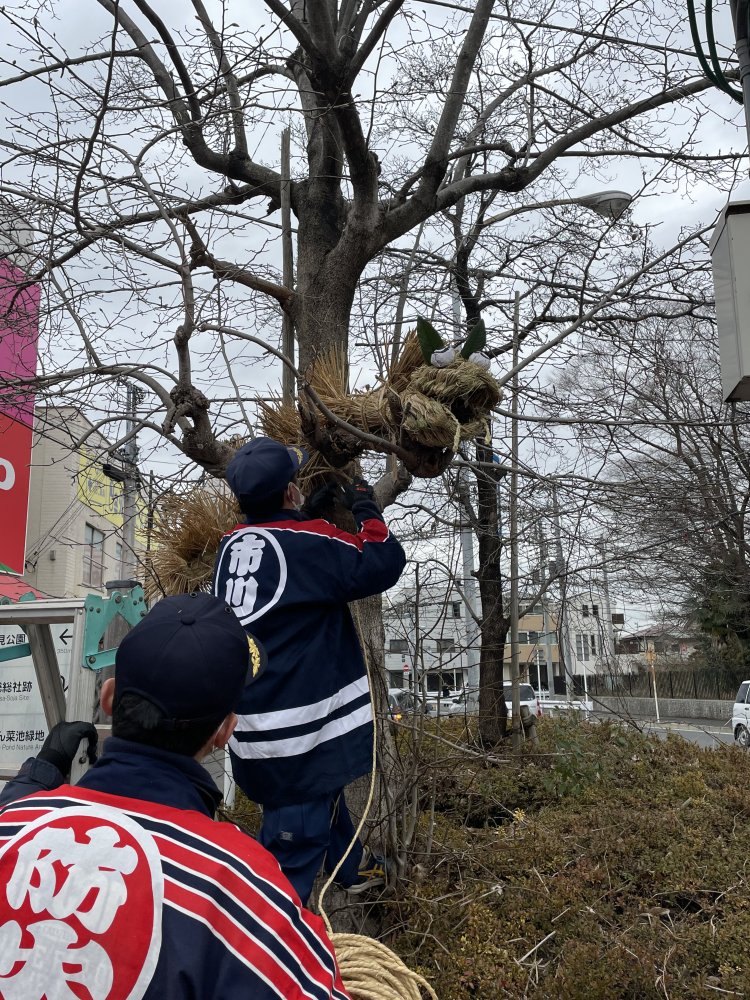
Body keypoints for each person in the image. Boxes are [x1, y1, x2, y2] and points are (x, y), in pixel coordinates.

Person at [0, 593, 351, 1000]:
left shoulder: (13, 826)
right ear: (224, 732)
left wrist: (38, 777)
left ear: (109, 698)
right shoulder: (239, 888)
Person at [213, 437, 406, 905]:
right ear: (289, 491)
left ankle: (349, 864)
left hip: (255, 731)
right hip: (299, 739)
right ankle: (274, 952)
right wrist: (365, 505)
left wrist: (302, 518)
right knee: (287, 866)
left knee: (326, 796)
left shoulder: (229, 547)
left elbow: (285, 556)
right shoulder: (310, 541)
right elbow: (383, 560)